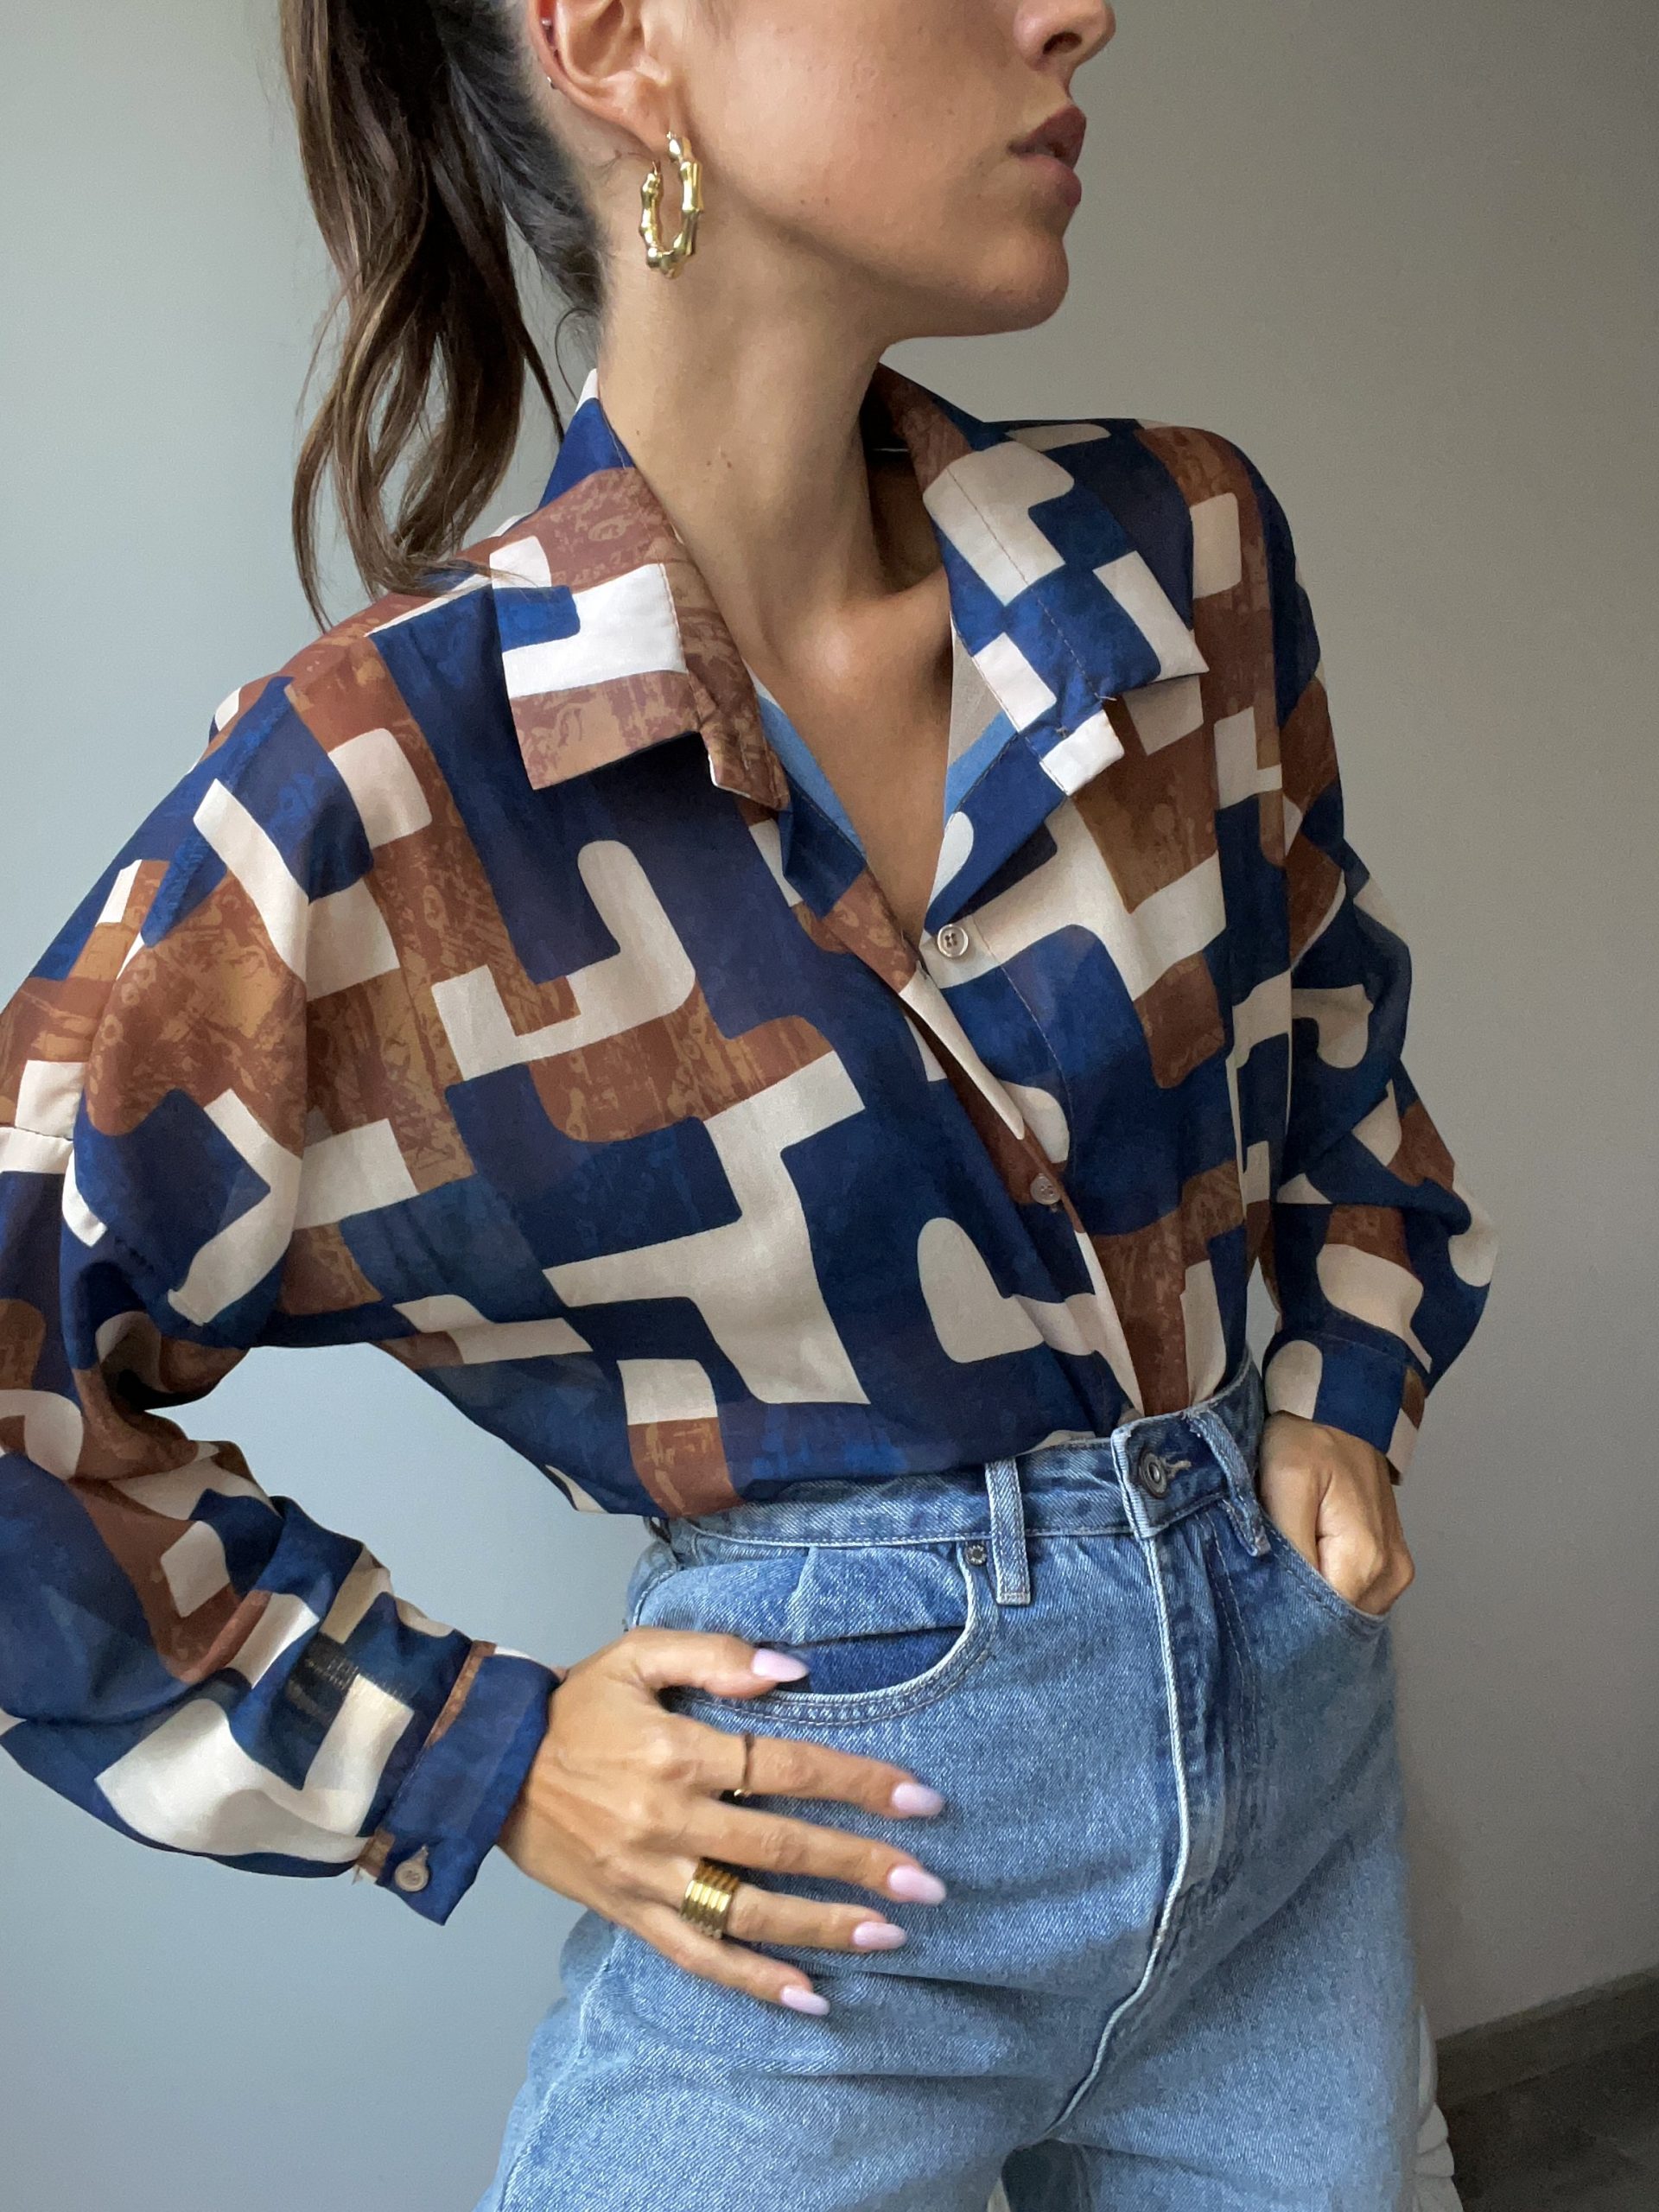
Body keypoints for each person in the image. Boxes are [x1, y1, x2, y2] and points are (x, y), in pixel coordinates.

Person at [0, 1, 1499, 2205]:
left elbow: (1335, 1011)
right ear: (618, 39)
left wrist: (1344, 1392)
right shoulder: (387, 784)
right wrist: (479, 1753)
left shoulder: (1169, 555)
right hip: (822, 1875)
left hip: (1292, 1810)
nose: (1075, 7)